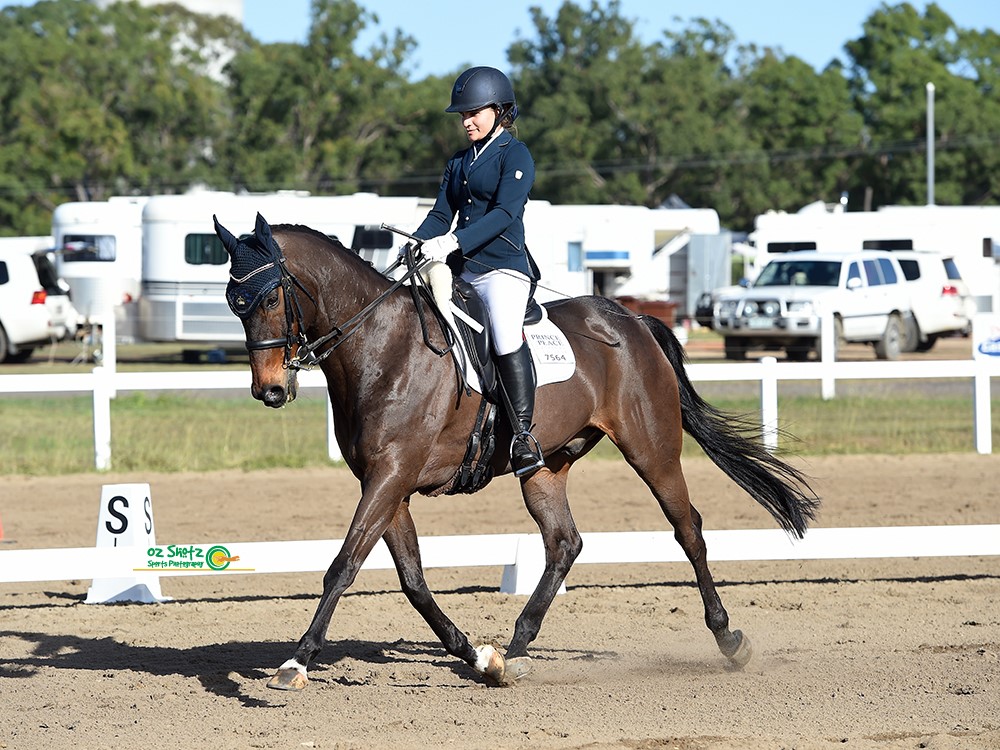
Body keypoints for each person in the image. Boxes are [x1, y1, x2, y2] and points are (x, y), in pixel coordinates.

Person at [405, 65, 544, 478]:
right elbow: (440, 214)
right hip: (462, 270)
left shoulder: (515, 155)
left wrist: (454, 242)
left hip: (503, 268)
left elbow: (504, 213)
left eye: (473, 113)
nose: (466, 122)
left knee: (503, 333)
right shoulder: (459, 162)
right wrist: (417, 241)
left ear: (499, 111)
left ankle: (522, 436)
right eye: (462, 116)